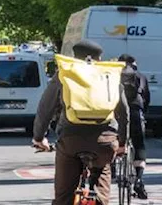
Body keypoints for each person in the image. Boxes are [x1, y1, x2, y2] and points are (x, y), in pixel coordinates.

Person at [33, 40, 129, 205]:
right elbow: (125, 112)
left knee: (63, 197)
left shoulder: (65, 73)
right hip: (104, 141)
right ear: (100, 57)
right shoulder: (109, 75)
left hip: (71, 140)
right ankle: (100, 200)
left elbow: (45, 108)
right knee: (102, 171)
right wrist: (122, 142)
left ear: (75, 56)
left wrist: (39, 137)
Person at [118, 54, 151, 200]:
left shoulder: (114, 77)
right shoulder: (141, 77)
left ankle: (112, 167)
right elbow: (147, 99)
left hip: (118, 113)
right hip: (136, 112)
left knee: (114, 140)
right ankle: (139, 178)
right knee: (139, 145)